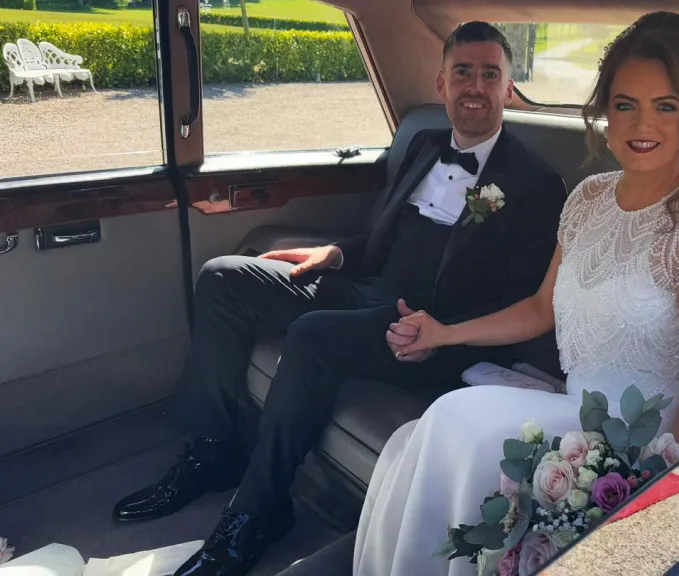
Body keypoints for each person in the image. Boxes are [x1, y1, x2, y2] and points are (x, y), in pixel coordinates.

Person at [109, 22, 567, 576]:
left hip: (434, 330)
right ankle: (212, 448)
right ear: (441, 83)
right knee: (222, 277)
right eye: (463, 72)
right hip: (365, 289)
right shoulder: (423, 146)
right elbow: (381, 239)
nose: (475, 86)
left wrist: (442, 338)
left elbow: (522, 301)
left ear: (508, 89)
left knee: (312, 334)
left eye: (490, 74)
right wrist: (336, 253)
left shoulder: (537, 183)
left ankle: (258, 512)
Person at [351, 12, 679, 576]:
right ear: (605, 110)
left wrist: (640, 487)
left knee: (463, 426)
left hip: (643, 443)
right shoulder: (587, 199)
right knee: (444, 423)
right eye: (625, 104)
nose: (641, 124)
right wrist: (445, 333)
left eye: (665, 106)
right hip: (574, 412)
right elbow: (539, 309)